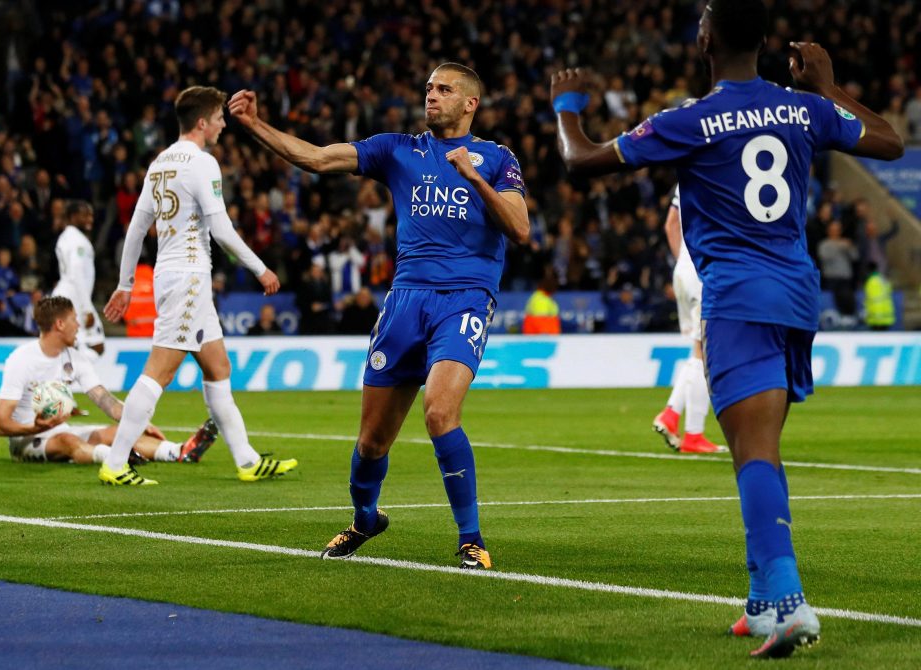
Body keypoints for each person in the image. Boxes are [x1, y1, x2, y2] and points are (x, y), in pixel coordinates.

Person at [551, 0, 903, 657]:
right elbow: (890, 141)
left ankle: (791, 601)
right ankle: (763, 602)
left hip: (738, 296)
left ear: (706, 38)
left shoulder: (690, 118)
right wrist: (827, 87)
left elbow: (582, 160)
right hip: (796, 295)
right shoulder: (802, 108)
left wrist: (565, 106)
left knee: (756, 453)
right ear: (767, 41)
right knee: (752, 450)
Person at [229, 62, 529, 569]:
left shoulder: (497, 158)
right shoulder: (397, 149)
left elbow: (520, 228)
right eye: (429, 87)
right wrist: (256, 125)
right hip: (404, 302)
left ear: (470, 103)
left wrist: (474, 177)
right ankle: (365, 519)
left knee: (439, 412)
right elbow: (320, 159)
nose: (431, 95)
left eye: (444, 89)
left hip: (465, 300)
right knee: (371, 442)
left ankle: (470, 538)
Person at [102, 86, 297, 486]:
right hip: (189, 276)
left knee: (217, 366)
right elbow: (221, 229)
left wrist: (125, 284)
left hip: (172, 275)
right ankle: (116, 461)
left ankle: (246, 460)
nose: (225, 124)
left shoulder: (159, 163)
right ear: (202, 122)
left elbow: (137, 229)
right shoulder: (202, 162)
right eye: (220, 118)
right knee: (159, 371)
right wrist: (260, 268)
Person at [0, 296, 217, 466]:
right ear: (60, 324)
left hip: (59, 430)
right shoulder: (21, 360)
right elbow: (1, 424)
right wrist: (33, 427)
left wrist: (136, 420)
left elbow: (104, 400)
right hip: (25, 441)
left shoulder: (75, 357)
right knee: (68, 441)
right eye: (74, 320)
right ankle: (115, 459)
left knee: (121, 433)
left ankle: (179, 452)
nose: (79, 326)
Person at [652, 186, 724, 454]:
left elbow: (671, 224)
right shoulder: (722, 171)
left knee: (700, 348)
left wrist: (682, 262)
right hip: (705, 270)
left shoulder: (686, 179)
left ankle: (674, 416)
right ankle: (692, 433)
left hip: (684, 269)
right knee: (704, 351)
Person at [52, 200, 105, 359]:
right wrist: (87, 308)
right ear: (73, 217)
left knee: (91, 346)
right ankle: (64, 378)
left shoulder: (68, 237)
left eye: (91, 215)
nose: (90, 219)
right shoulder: (77, 241)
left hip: (71, 298)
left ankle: (69, 377)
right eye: (85, 215)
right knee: (93, 347)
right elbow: (76, 273)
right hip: (73, 299)